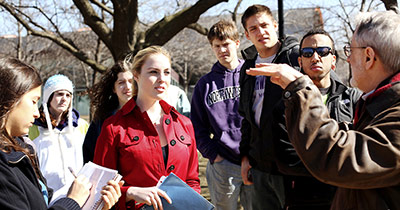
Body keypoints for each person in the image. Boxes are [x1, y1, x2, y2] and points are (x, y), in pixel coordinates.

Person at [245, 10, 400, 210]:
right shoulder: (375, 103)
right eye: (308, 53)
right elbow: (287, 157)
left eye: (350, 50)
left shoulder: (385, 109)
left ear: (369, 57)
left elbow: (339, 157)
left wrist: (299, 88)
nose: (349, 59)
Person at [0, 57, 121, 210]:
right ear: (9, 101)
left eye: (68, 95)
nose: (36, 113)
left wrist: (93, 203)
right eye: (33, 101)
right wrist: (73, 201)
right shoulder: (8, 160)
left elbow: (43, 200)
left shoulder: (21, 147)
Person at [93, 46, 200, 210]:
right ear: (136, 75)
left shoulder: (184, 124)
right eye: (153, 72)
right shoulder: (114, 127)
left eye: (166, 72)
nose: (162, 79)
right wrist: (130, 192)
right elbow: (100, 189)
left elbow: (192, 180)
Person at [272, 29, 362, 209]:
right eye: (307, 53)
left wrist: (316, 157)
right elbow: (286, 160)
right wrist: (336, 163)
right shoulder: (287, 105)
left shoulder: (355, 99)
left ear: (334, 60)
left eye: (323, 52)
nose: (315, 57)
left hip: (349, 197)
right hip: (304, 200)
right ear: (300, 61)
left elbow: (361, 146)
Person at [238, 4, 299, 210]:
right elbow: (245, 116)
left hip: (292, 166)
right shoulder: (247, 67)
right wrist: (245, 156)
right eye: (253, 28)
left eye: (264, 25)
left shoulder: (295, 58)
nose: (260, 32)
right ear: (247, 34)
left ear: (275, 26)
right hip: (259, 166)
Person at [191, 20, 251, 210]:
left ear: (237, 43)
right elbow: (197, 126)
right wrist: (213, 155)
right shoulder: (205, 85)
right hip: (223, 162)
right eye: (217, 46)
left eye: (226, 44)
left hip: (255, 161)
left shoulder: (253, 74)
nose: (222, 50)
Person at [28, 74, 89, 198]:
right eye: (59, 94)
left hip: (78, 195)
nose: (64, 99)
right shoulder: (33, 127)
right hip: (46, 197)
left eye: (68, 95)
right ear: (49, 97)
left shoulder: (81, 126)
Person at [83, 62, 133, 163]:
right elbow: (89, 153)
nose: (127, 86)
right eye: (121, 82)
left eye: (131, 81)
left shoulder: (149, 115)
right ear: (114, 89)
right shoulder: (102, 119)